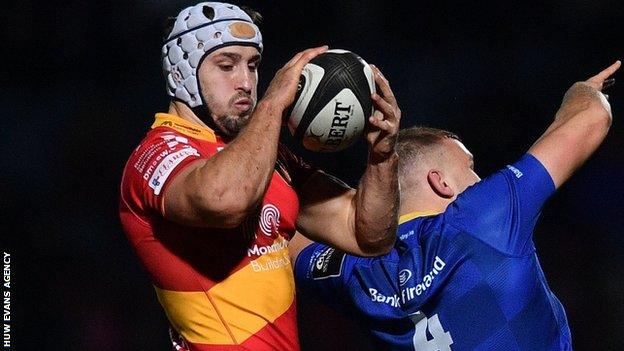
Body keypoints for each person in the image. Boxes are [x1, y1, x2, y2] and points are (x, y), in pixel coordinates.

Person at [119, 2, 401, 350]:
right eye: (226, 66)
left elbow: (369, 234)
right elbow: (226, 201)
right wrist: (272, 104)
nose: (246, 82)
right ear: (182, 74)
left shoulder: (268, 156)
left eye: (253, 66)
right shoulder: (155, 154)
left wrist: (382, 156)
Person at [291, 61, 620, 350]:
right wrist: (584, 90)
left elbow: (285, 225)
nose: (479, 180)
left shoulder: (353, 272)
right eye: (470, 167)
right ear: (440, 182)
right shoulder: (481, 217)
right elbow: (591, 117)